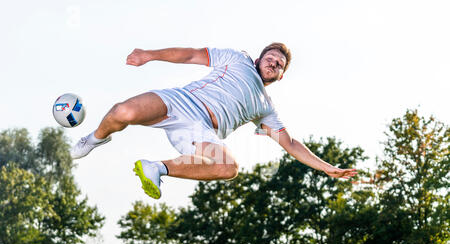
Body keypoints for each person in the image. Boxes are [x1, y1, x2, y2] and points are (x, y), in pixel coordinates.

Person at [71, 43, 358, 199]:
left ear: (280, 76)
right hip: (179, 101)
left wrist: (327, 167)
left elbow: (290, 143)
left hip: (200, 130)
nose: (273, 63)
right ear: (259, 58)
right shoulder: (236, 59)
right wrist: (149, 55)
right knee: (122, 113)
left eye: (279, 65)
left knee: (228, 167)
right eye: (270, 58)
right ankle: (94, 139)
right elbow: (191, 55)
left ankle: (156, 168)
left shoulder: (265, 108)